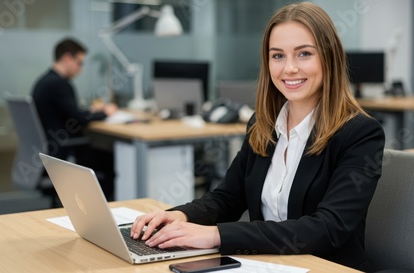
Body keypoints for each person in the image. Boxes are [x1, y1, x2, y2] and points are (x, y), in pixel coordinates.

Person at [131, 2, 385, 271]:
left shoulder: (360, 134)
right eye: (278, 56)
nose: (289, 68)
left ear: (329, 58)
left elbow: (327, 228)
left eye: (304, 54)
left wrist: (215, 235)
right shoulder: (262, 125)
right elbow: (227, 197)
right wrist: (179, 216)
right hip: (264, 263)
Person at [32, 37, 117, 200]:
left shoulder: (46, 81)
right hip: (63, 150)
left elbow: (70, 112)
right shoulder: (59, 84)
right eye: (79, 62)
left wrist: (91, 110)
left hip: (53, 148)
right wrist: (106, 112)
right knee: (111, 157)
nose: (81, 69)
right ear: (66, 58)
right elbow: (79, 119)